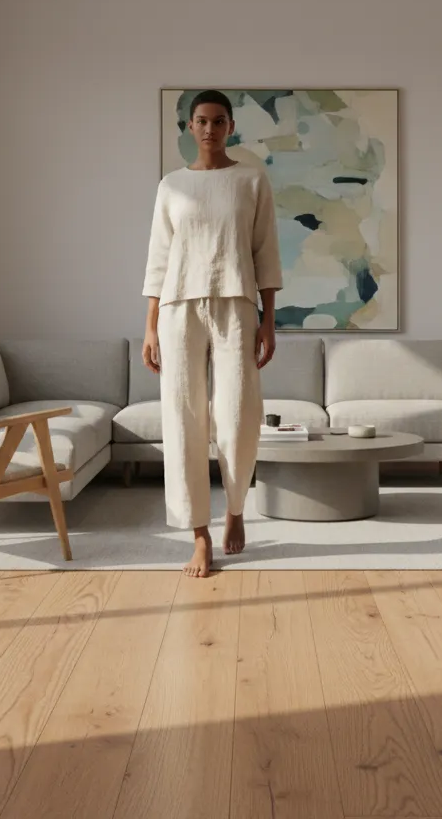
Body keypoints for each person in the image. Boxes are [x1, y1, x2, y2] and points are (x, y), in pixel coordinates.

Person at [142, 90, 282, 577]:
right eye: (200, 121)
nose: (208, 129)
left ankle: (236, 509)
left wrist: (268, 320)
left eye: (218, 121)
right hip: (178, 309)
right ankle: (199, 534)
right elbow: (159, 258)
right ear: (188, 127)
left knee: (238, 415)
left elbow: (265, 252)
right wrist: (150, 326)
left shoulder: (250, 179)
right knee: (183, 419)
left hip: (236, 303)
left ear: (230, 126)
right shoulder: (171, 185)